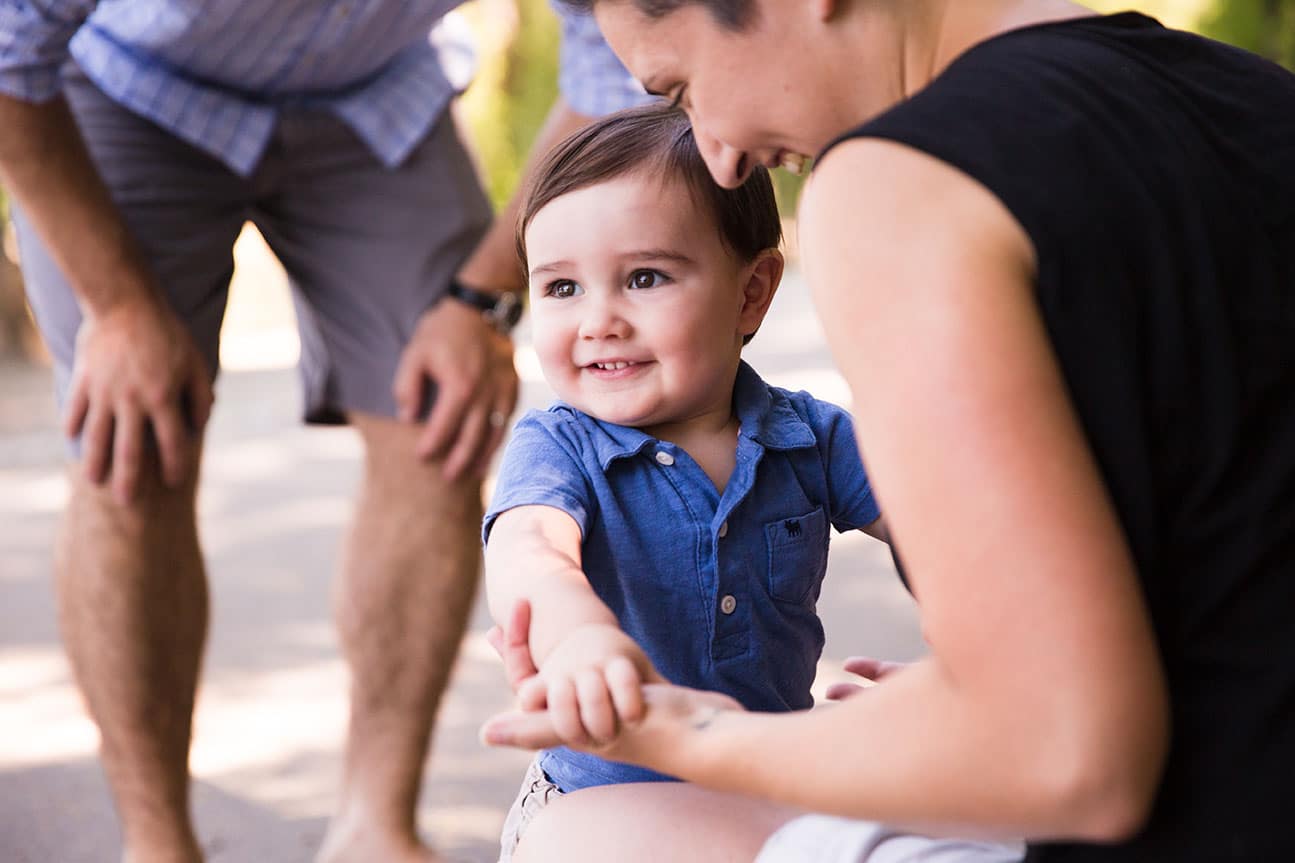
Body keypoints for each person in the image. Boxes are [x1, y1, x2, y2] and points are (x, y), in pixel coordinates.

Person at [480, 1, 1295, 862]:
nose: (720, 153)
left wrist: (696, 736)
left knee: (573, 842)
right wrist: (974, 693)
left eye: (684, 87)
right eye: (560, 288)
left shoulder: (907, 180)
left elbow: (1065, 753)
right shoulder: (1257, 100)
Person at [0, 2, 649, 861]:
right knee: (134, 445)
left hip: (370, 96)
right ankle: (157, 842)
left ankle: (374, 829)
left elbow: (609, 62)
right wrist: (116, 307)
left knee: (442, 417)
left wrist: (481, 299)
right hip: (129, 87)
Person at [481, 102, 1021, 863]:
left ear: (751, 292)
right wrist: (575, 639)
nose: (598, 320)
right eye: (561, 288)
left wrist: (987, 659)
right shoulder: (559, 444)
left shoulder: (811, 436)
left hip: (772, 778)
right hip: (605, 802)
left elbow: (959, 535)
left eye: (642, 277)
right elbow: (529, 552)